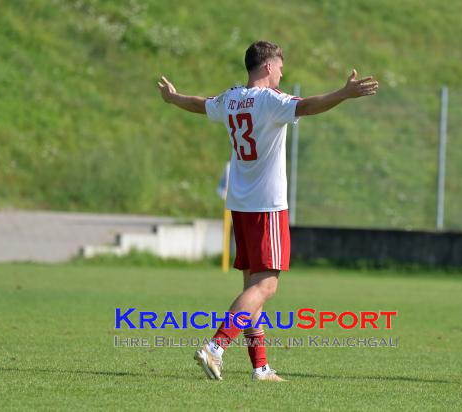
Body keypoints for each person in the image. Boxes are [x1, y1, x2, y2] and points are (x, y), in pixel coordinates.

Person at [157, 40, 378, 381]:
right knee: (267, 288)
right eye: (279, 67)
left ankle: (260, 367)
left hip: (241, 205)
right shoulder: (269, 101)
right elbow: (307, 106)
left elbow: (202, 105)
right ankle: (215, 348)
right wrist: (343, 93)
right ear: (266, 67)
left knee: (253, 289)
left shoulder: (231, 98)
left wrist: (173, 99)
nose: (281, 73)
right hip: (267, 206)